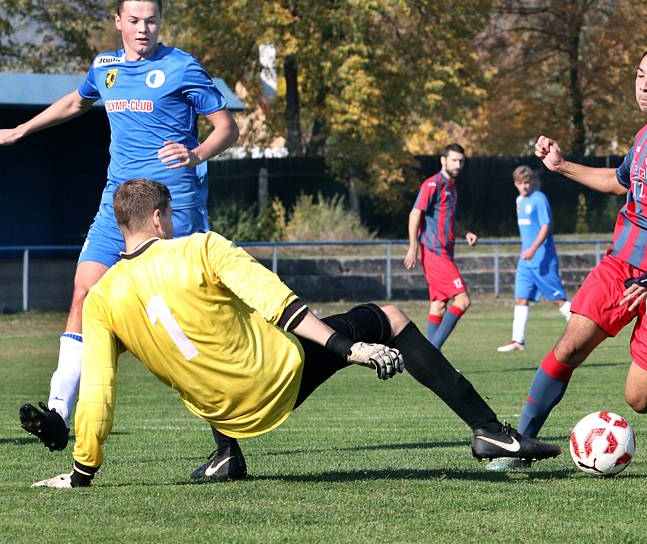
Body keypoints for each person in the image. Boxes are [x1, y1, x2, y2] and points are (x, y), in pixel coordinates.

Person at [30, 179, 561, 488]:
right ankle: (489, 430)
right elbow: (278, 303)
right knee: (390, 316)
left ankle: (226, 454)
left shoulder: (100, 301)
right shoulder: (201, 246)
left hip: (224, 410)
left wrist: (81, 472)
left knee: (206, 338)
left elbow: (98, 391)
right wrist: (345, 346)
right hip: (277, 379)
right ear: (158, 217)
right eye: (169, 214)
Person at [1, 0, 239, 451]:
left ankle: (228, 443)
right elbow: (75, 102)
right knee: (84, 292)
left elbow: (228, 127)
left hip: (171, 208)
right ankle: (57, 414)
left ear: (160, 21)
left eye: (150, 19)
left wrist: (197, 153)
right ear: (118, 22)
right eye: (133, 20)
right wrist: (19, 131)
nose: (142, 28)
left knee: (184, 320)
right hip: (118, 204)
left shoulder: (181, 66)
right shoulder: (105, 68)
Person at [488, 43, 647, 470]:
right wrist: (561, 166)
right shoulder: (643, 136)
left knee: (639, 399)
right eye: (639, 74)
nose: (644, 84)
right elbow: (619, 183)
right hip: (622, 265)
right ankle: (519, 446)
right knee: (568, 346)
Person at [404, 144, 477, 351]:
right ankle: (431, 354)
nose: (458, 165)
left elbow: (448, 220)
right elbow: (414, 214)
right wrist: (413, 247)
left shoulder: (452, 187)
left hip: (445, 252)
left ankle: (429, 357)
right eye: (454, 160)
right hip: (433, 252)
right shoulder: (432, 185)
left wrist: (466, 233)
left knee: (439, 305)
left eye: (461, 161)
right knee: (462, 300)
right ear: (443, 161)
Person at [497, 165, 572, 353]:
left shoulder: (539, 199)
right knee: (521, 298)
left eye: (527, 182)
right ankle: (517, 341)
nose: (524, 186)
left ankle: (581, 324)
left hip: (542, 259)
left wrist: (532, 248)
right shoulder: (518, 201)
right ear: (515, 184)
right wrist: (527, 251)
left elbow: (546, 226)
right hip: (526, 261)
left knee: (558, 300)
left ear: (532, 182)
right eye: (520, 183)